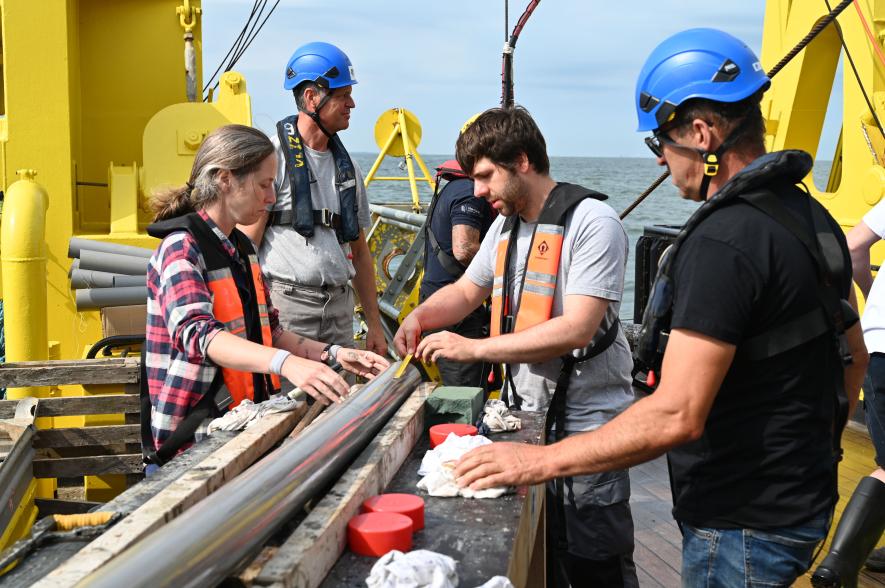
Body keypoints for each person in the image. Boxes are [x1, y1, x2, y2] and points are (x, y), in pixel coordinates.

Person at [453, 29, 869, 588]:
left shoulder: (723, 242)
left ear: (702, 134)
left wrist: (537, 461)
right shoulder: (813, 220)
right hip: (802, 502)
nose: (663, 166)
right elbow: (852, 357)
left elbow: (677, 413)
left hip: (740, 521)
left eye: (660, 145)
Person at [396, 107, 638, 587]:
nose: (478, 192)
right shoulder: (504, 228)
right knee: (538, 552)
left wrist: (473, 348)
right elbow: (469, 290)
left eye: (485, 177)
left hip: (588, 423)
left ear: (521, 160)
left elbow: (578, 329)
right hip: (524, 417)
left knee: (595, 560)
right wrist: (420, 316)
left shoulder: (593, 222)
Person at [144, 124, 388, 466]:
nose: (272, 197)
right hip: (192, 446)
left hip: (242, 429)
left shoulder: (242, 250)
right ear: (226, 179)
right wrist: (289, 364)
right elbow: (198, 336)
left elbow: (270, 331)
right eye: (264, 185)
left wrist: (335, 353)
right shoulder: (182, 249)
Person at [239, 42, 386, 363]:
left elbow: (360, 253)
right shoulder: (272, 160)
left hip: (340, 311)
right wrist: (255, 312)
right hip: (287, 309)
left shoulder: (349, 169)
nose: (353, 103)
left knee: (340, 403)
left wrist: (374, 325)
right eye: (343, 95)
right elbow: (246, 244)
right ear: (311, 97)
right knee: (291, 406)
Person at [811, 206, 885, 587]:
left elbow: (854, 247)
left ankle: (840, 561)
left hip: (880, 342)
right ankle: (839, 565)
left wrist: (876, 297)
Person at [419, 159, 494, 387]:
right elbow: (464, 248)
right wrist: (510, 263)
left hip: (438, 301)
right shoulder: (469, 192)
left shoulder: (452, 187)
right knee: (464, 394)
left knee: (457, 386)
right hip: (459, 312)